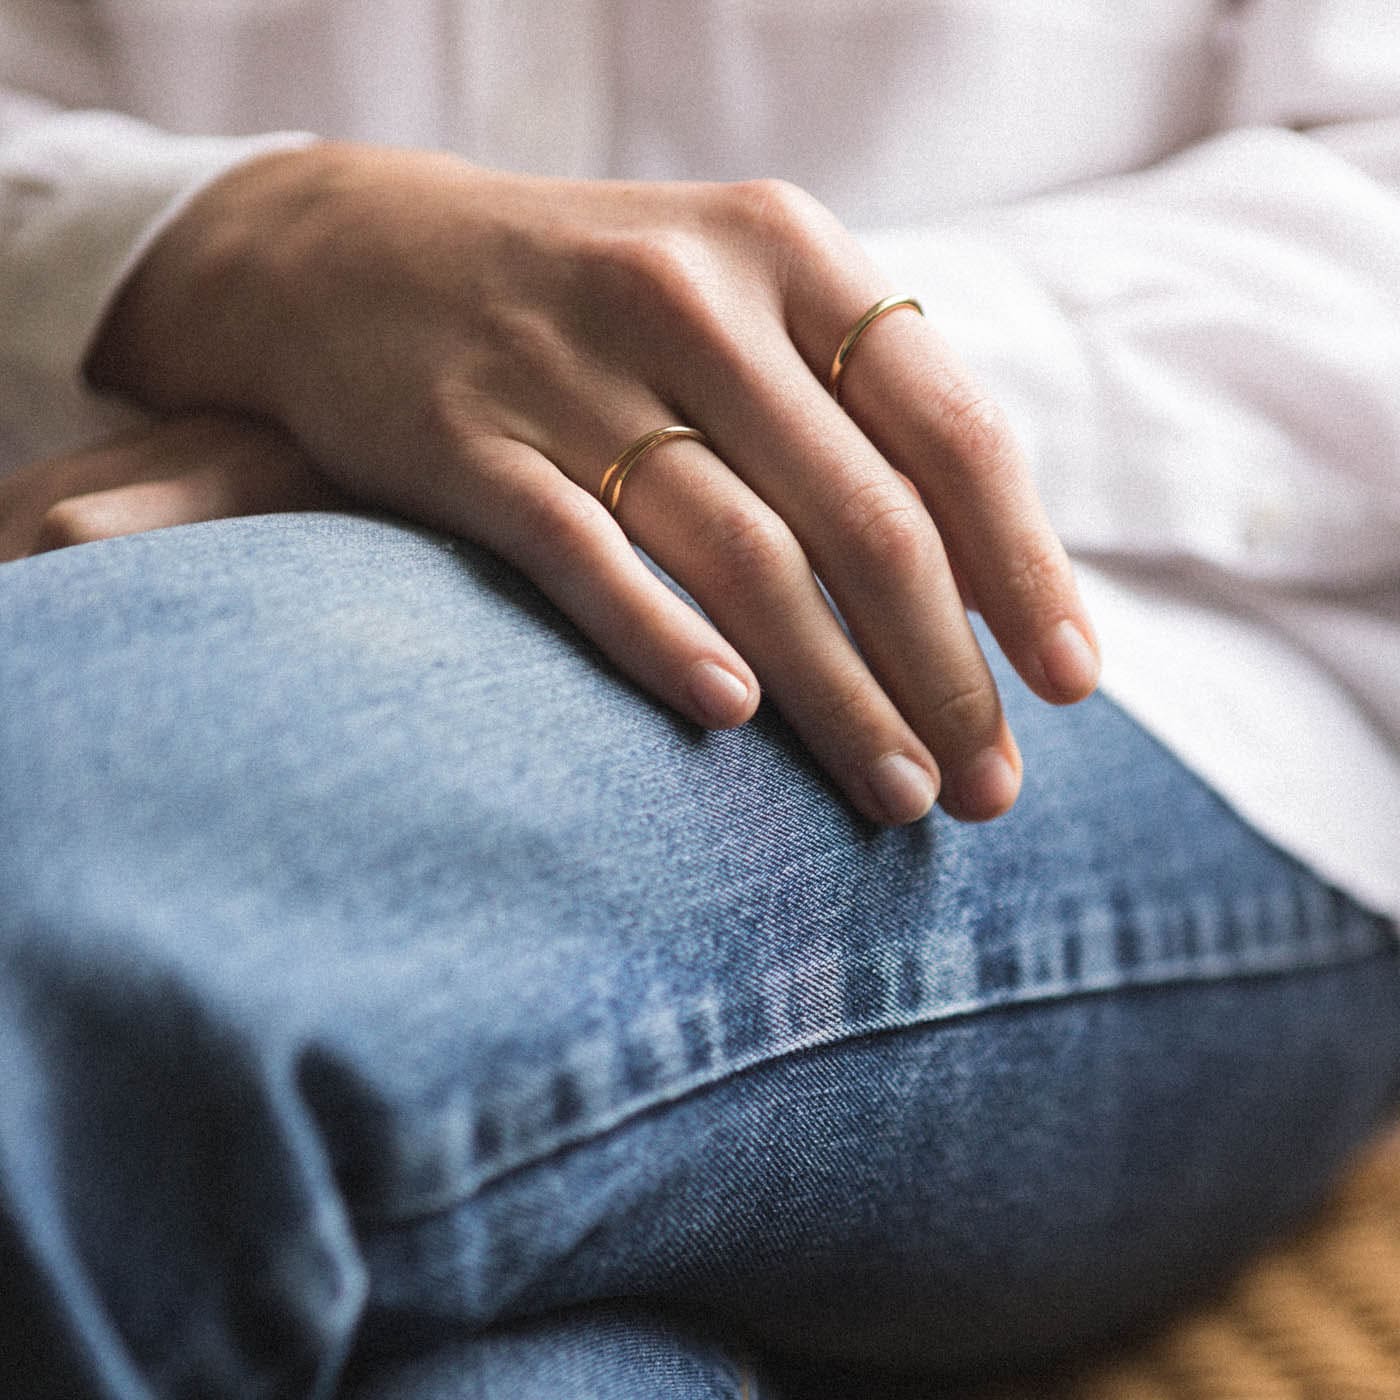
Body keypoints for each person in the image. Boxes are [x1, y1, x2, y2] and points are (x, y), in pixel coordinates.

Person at [0, 1, 1397, 1395]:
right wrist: (214, 248)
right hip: (162, 509)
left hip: (1156, 638)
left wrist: (681, 389)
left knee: (59, 874)